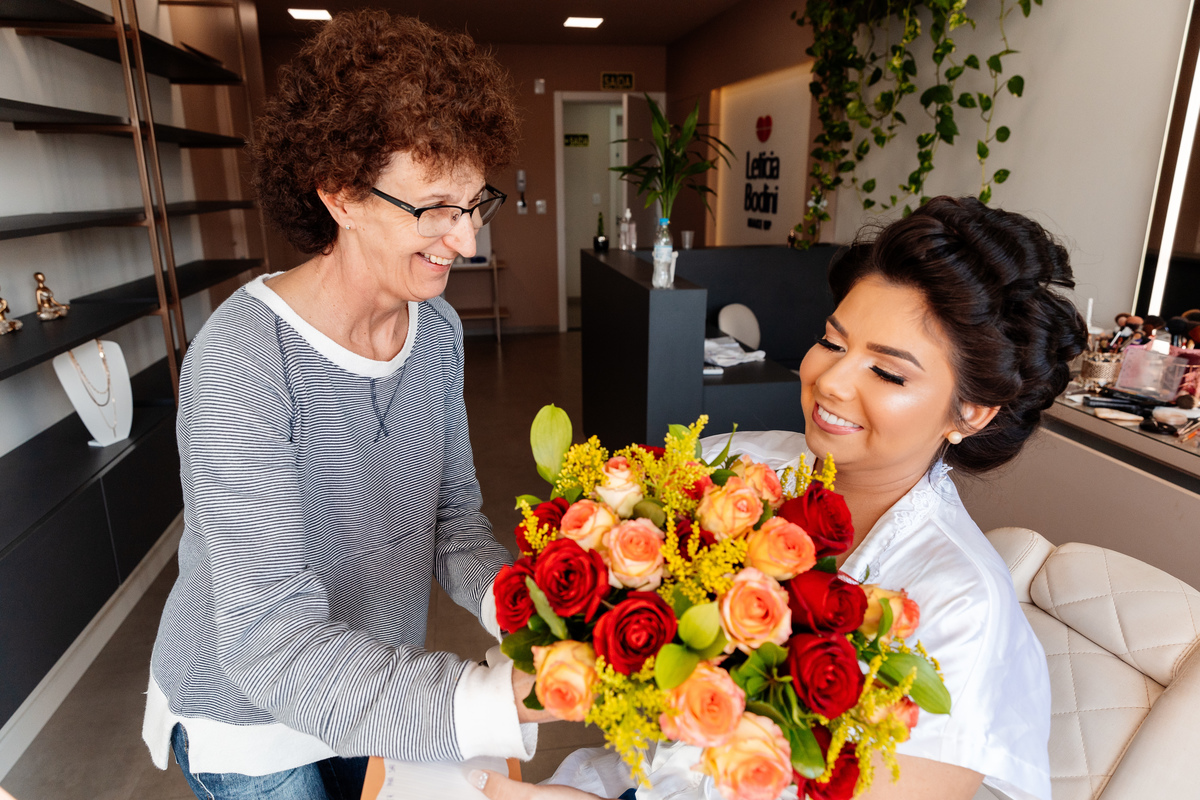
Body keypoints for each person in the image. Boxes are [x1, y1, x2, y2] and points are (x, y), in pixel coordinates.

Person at [500, 197, 1084, 800]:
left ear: (970, 412)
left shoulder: (960, 605)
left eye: (887, 373)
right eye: (832, 342)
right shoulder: (738, 467)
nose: (830, 380)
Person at [141, 12, 554, 800]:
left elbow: (453, 519)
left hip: (373, 688)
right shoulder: (242, 362)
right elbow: (269, 643)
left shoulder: (437, 330)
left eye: (475, 203)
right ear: (338, 194)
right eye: (434, 207)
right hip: (252, 722)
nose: (465, 241)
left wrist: (534, 623)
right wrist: (484, 701)